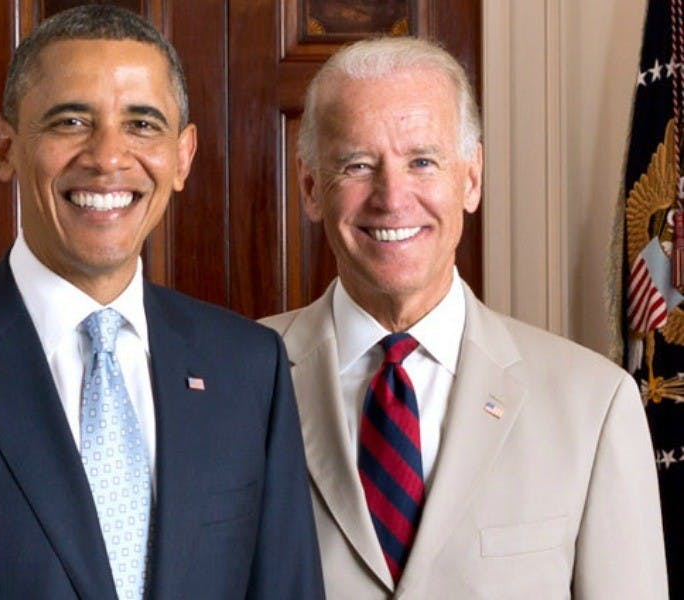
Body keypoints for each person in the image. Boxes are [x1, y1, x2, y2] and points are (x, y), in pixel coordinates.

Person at [0, 6, 323, 599]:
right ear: (4, 146)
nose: (107, 157)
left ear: (183, 156)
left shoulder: (249, 367)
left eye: (143, 124)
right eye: (71, 121)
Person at [261, 36, 668, 598]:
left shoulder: (594, 407)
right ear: (310, 188)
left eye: (422, 161)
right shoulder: (240, 382)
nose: (392, 197)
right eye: (358, 164)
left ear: (470, 179)